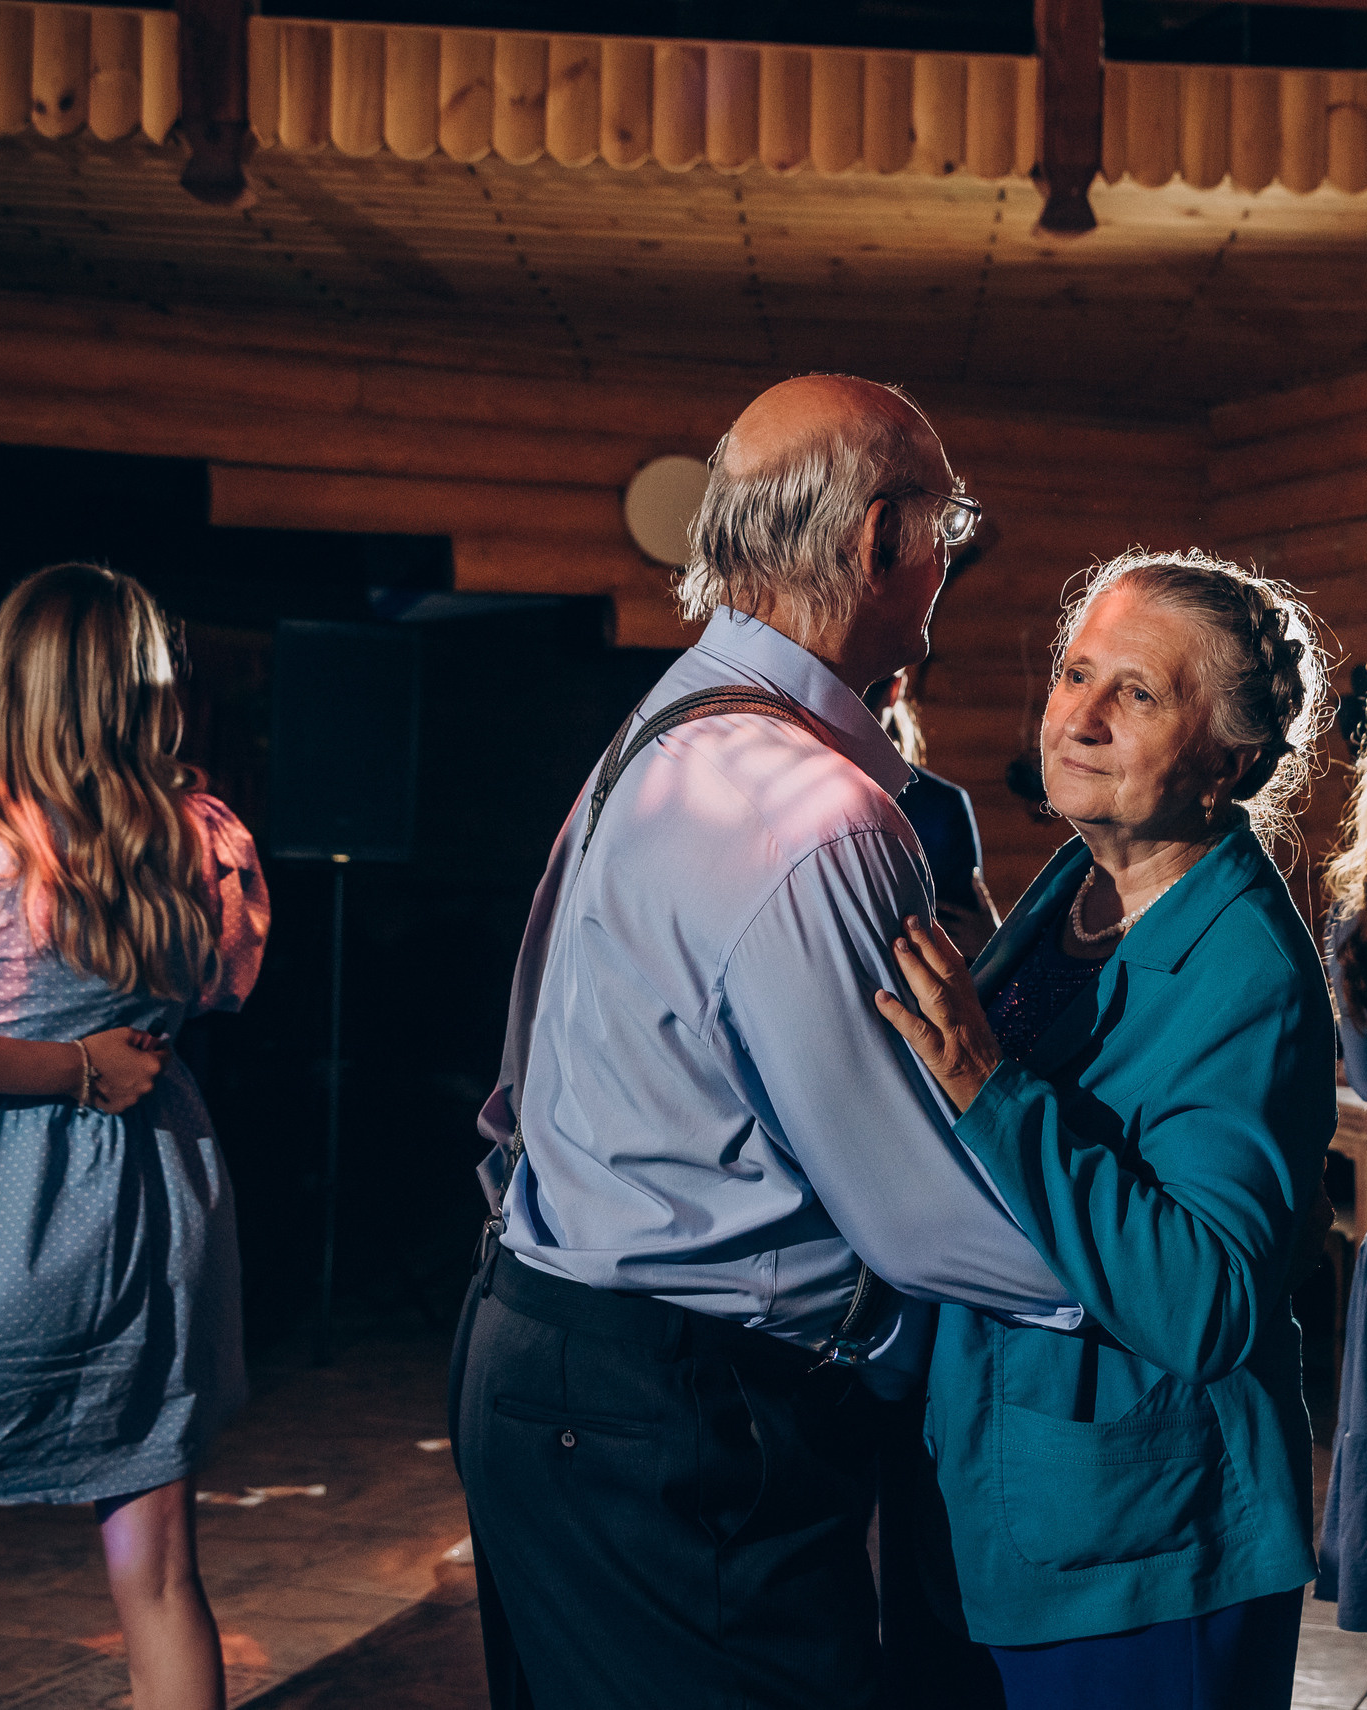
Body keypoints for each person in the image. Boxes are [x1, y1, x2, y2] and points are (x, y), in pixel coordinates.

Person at [455, 375, 1082, 1710]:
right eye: (948, 524)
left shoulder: (670, 726)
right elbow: (918, 1215)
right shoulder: (817, 810)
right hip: (671, 1412)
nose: (952, 562)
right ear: (879, 543)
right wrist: (1139, 1279)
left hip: (551, 1351)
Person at [875, 547, 1335, 1710]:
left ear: (1229, 758)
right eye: (1073, 675)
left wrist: (989, 1085)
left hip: (1145, 1544)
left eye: (1135, 691)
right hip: (1003, 1486)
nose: (1079, 716)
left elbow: (1208, 1301)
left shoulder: (1244, 969)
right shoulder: (1075, 888)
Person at [0, 564, 270, 1710]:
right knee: (161, 1578)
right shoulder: (197, 842)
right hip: (154, 1207)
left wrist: (58, 1064)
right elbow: (228, 987)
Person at [866, 664, 1001, 960]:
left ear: (896, 689)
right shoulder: (943, 803)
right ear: (895, 689)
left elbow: (967, 935)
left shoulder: (942, 806)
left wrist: (992, 946)